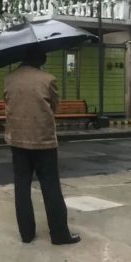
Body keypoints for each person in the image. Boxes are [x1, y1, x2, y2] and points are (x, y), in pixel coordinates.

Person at [4, 44, 80, 245]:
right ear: (40, 60)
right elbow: (55, 106)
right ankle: (59, 234)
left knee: (22, 186)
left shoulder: (9, 79)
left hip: (17, 139)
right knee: (50, 185)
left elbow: (8, 104)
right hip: (43, 141)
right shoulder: (48, 79)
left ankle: (26, 234)